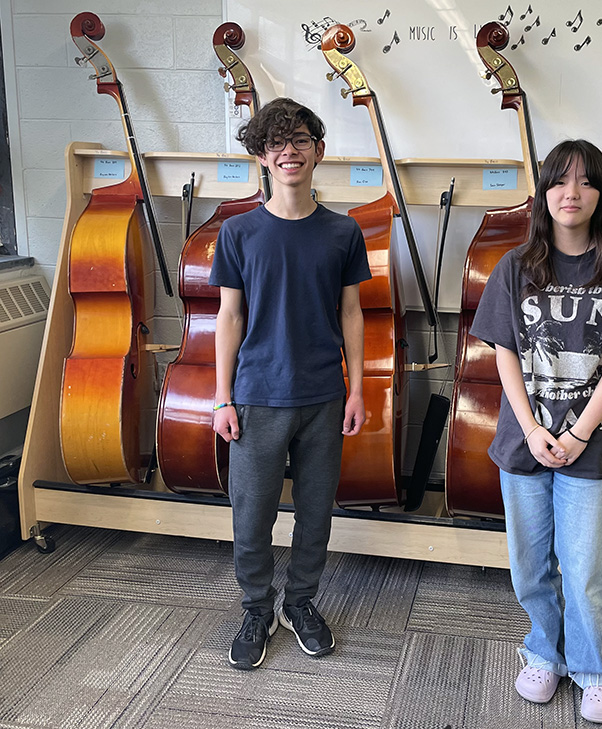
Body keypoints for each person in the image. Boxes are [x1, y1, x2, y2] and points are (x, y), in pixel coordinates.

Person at [471, 140, 602, 723]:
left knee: (586, 568)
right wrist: (531, 429)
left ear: (601, 193)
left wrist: (578, 433)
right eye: (559, 181)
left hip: (592, 443)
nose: (570, 193)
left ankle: (597, 668)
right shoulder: (515, 266)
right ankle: (544, 652)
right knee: (531, 565)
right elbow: (505, 352)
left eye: (584, 182)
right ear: (543, 193)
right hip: (523, 440)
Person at [209, 97, 371, 670]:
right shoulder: (239, 233)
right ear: (261, 156)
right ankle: (257, 607)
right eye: (276, 142)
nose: (289, 151)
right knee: (251, 514)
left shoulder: (343, 232)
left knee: (316, 513)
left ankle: (301, 604)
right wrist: (222, 397)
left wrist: (357, 389)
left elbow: (353, 313)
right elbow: (228, 318)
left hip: (325, 397)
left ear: (318, 150)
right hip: (255, 396)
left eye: (300, 139)